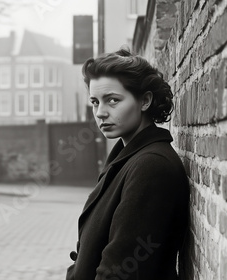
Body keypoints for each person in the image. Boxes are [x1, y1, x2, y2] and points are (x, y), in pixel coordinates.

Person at [66, 49, 192, 280]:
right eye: (95, 102)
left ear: (145, 101)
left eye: (113, 100)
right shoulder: (127, 158)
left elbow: (121, 272)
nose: (100, 113)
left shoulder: (151, 167)